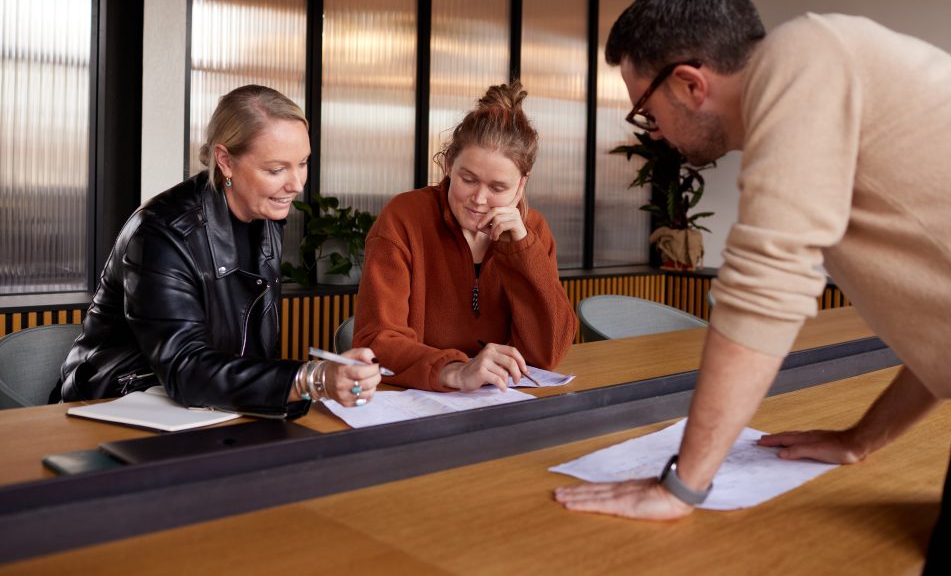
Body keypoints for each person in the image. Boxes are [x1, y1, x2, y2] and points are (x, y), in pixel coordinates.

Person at [554, 0, 951, 574]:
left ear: (690, 84)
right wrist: (861, 439)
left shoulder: (803, 60)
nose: (657, 136)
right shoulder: (830, 68)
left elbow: (765, 289)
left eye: (646, 113)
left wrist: (680, 486)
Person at [57, 85, 380, 415]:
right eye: (276, 170)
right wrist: (310, 378)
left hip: (208, 408)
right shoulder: (161, 232)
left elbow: (250, 351)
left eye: (302, 163)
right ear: (225, 160)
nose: (296, 184)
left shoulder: (265, 216)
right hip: (114, 403)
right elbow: (185, 368)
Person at [354, 81, 577, 392]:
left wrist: (522, 250)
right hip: (415, 399)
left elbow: (546, 354)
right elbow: (376, 341)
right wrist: (455, 370)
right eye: (468, 179)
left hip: (498, 403)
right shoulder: (405, 217)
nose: (479, 199)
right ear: (449, 165)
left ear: (522, 185)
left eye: (498, 188)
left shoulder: (533, 229)